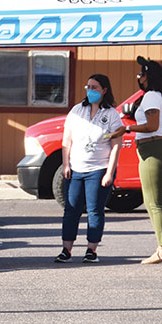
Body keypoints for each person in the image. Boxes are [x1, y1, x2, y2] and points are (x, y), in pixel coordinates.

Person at [109, 56, 162, 264]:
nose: (138, 77)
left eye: (141, 73)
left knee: (154, 203)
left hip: (153, 150)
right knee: (155, 201)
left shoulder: (151, 97)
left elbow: (152, 125)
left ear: (148, 76)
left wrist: (127, 128)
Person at [55, 74, 123, 264]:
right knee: (71, 209)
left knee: (94, 210)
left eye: (95, 87)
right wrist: (66, 164)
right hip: (76, 168)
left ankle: (91, 250)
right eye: (88, 87)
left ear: (104, 90)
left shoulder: (111, 114)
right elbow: (66, 140)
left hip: (99, 168)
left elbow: (117, 144)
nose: (90, 90)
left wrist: (109, 172)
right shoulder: (77, 110)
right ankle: (66, 249)